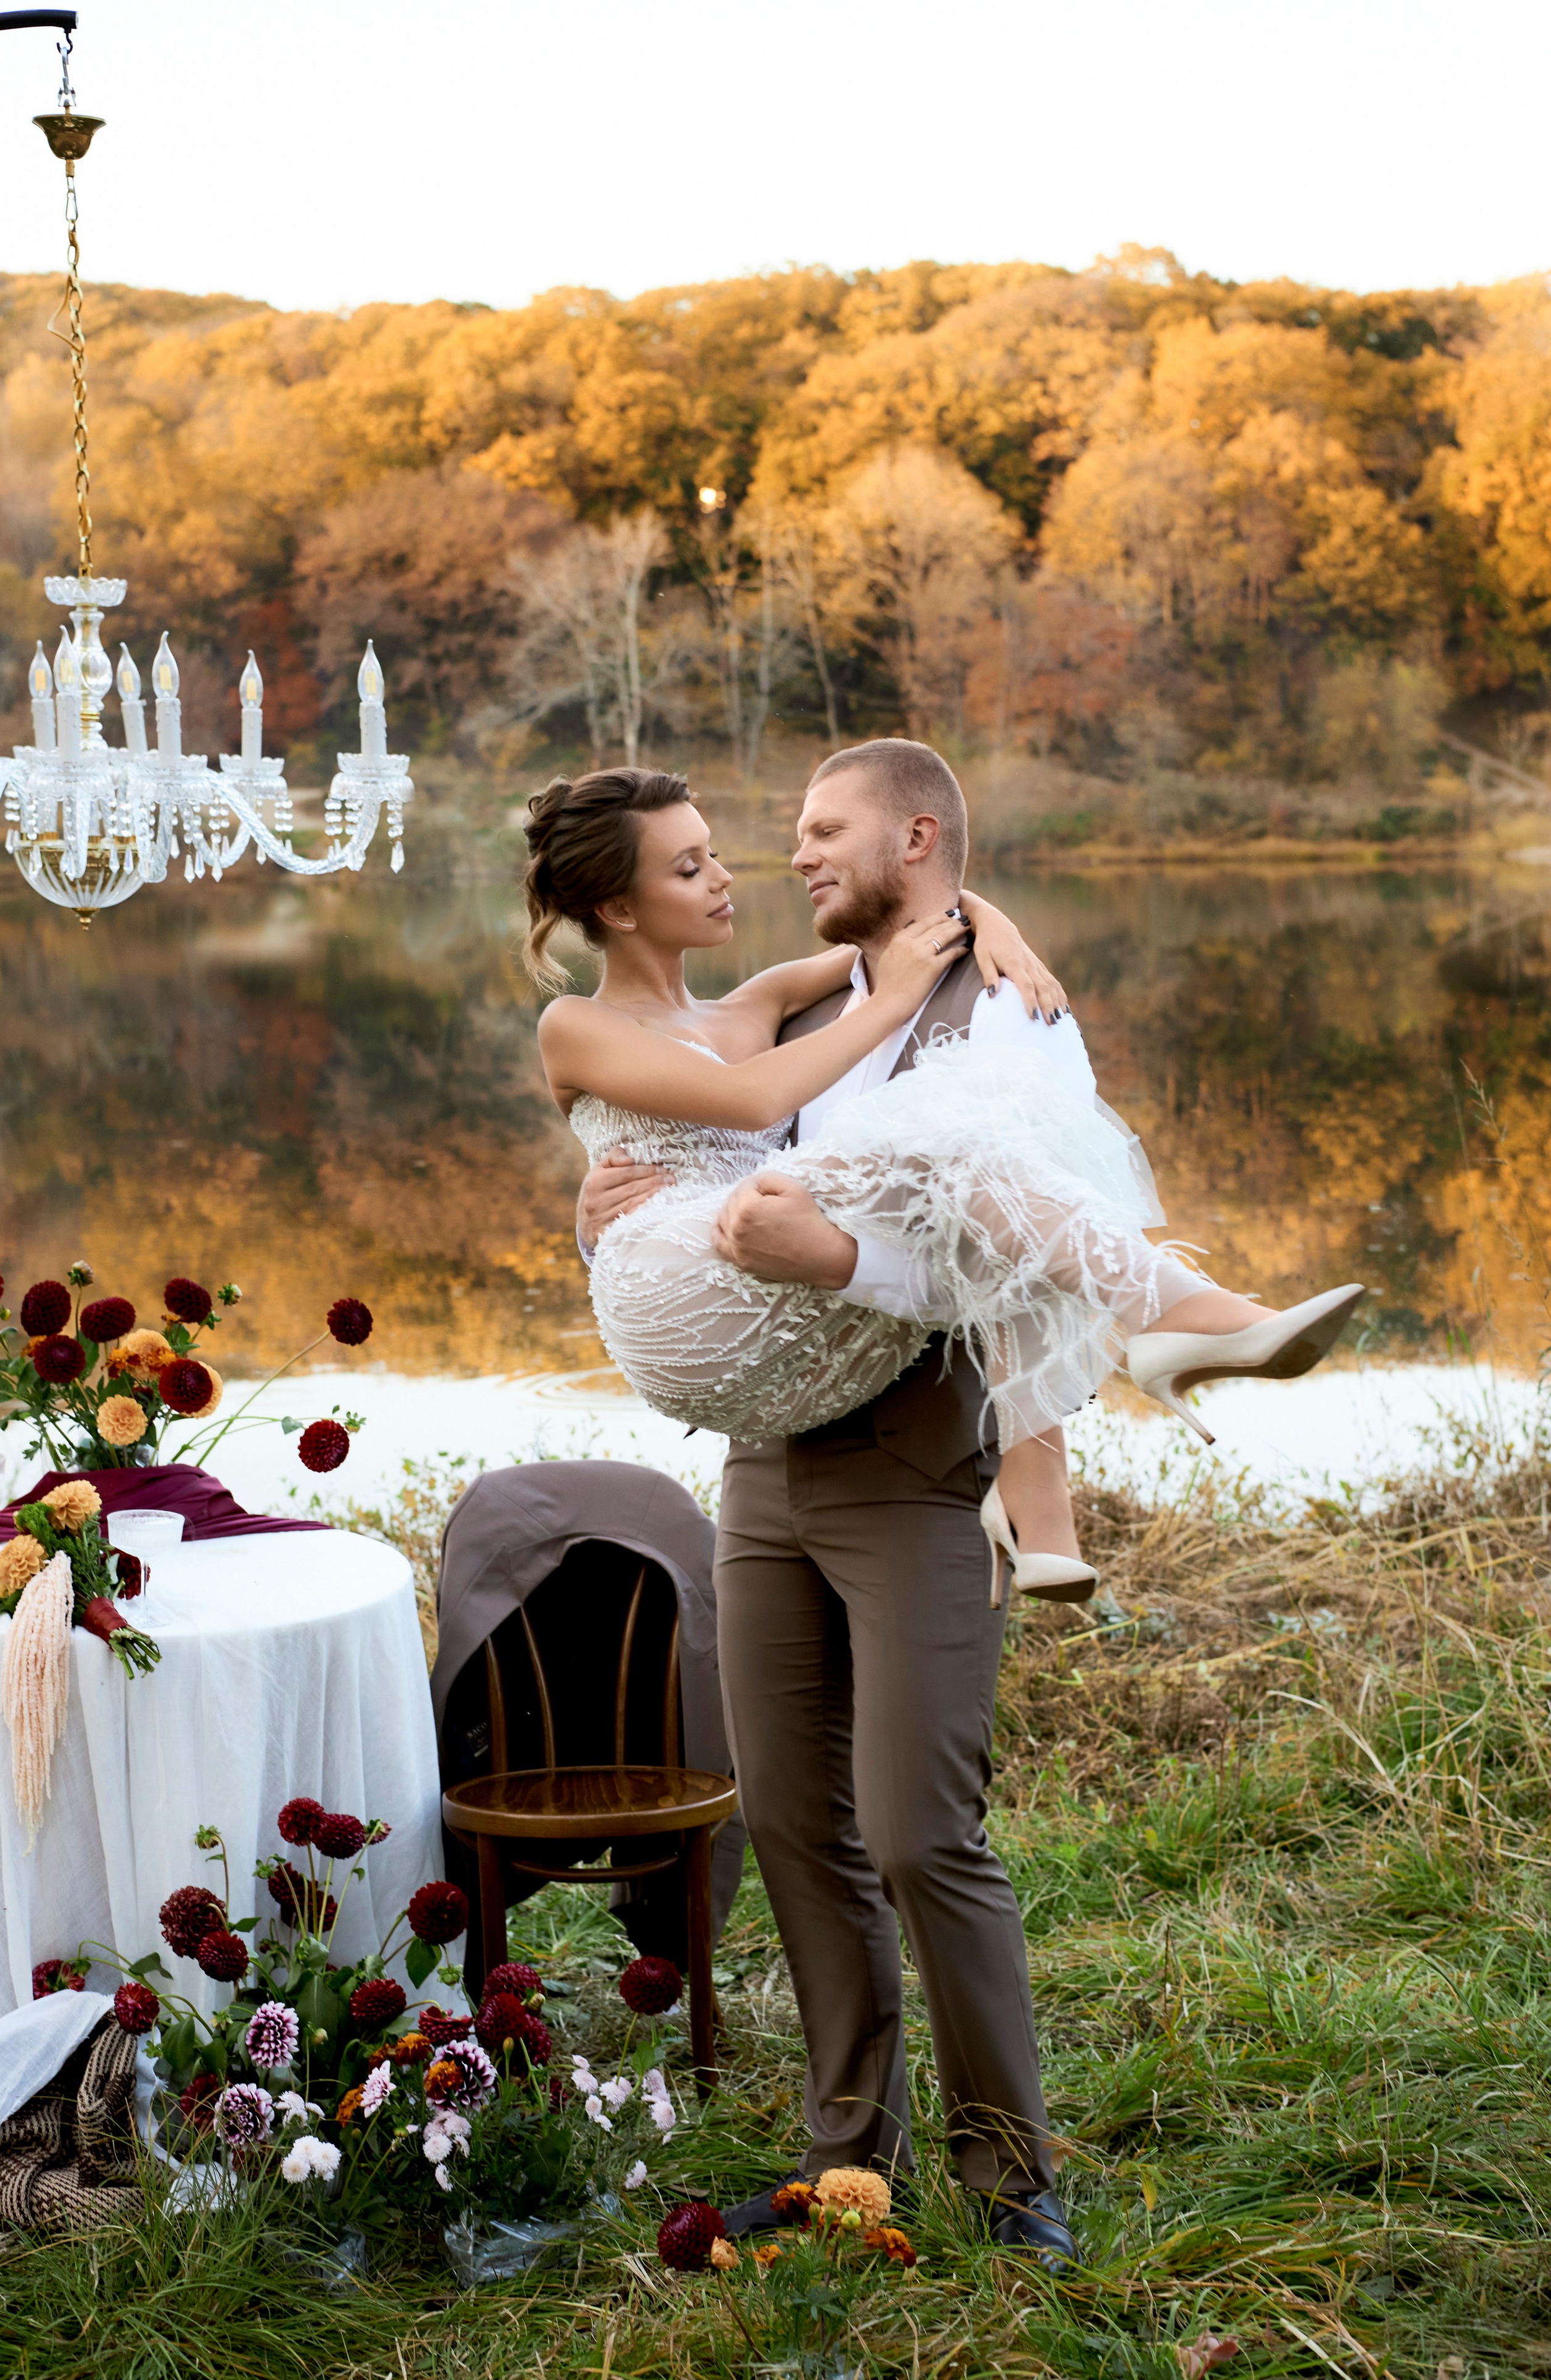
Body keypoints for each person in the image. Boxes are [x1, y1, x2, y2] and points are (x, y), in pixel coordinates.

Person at [552, 740, 1359, 2262]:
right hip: (764, 1470)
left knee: (924, 1833)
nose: (786, 859)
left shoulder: (1004, 1018)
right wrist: (617, 1213)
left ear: (909, 841)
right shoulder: (809, 1004)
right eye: (755, 843)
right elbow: (707, 1157)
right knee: (795, 1827)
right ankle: (846, 2159)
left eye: (817, 832)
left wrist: (983, 935)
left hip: (912, 1465)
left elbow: (982, 1253)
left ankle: (1010, 2184)